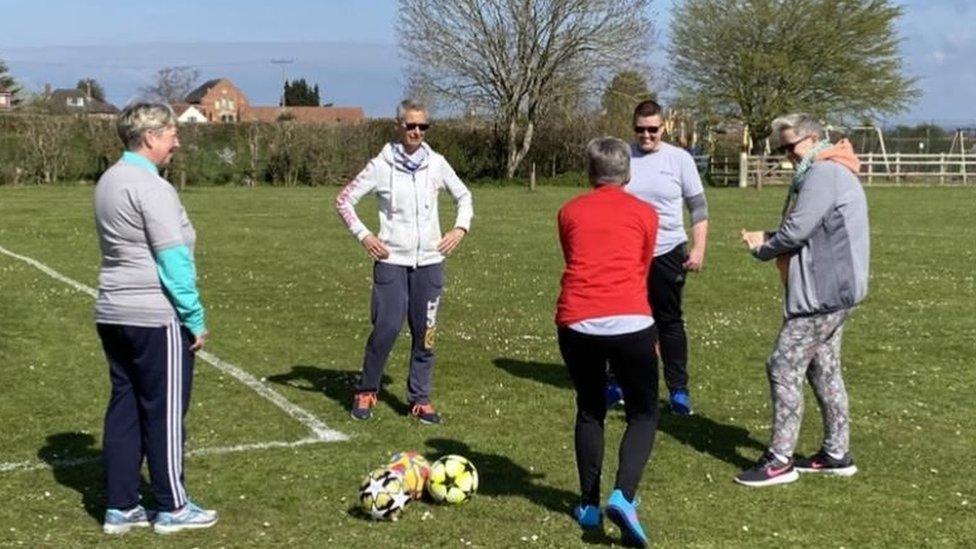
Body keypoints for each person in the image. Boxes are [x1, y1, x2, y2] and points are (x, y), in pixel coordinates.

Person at [93, 102, 216, 534]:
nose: (176, 142)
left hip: (112, 312)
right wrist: (194, 317)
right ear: (149, 137)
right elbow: (173, 260)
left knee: (125, 404)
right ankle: (172, 506)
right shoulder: (151, 187)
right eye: (170, 134)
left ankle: (121, 505)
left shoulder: (108, 180)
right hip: (153, 315)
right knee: (164, 410)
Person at [737, 113, 869, 487]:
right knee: (823, 369)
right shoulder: (831, 170)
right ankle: (836, 453)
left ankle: (780, 460)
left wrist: (764, 248)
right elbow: (810, 229)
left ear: (813, 138)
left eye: (790, 147)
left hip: (823, 294)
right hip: (836, 292)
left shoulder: (824, 173)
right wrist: (767, 235)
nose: (787, 156)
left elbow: (797, 230)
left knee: (782, 364)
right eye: (782, 149)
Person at [335, 99, 473, 425]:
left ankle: (419, 398)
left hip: (429, 262)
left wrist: (460, 227)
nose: (416, 132)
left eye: (422, 126)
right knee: (386, 327)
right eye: (410, 125)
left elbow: (464, 196)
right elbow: (344, 201)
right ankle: (367, 389)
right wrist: (365, 236)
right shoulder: (381, 165)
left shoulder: (437, 163)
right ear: (399, 126)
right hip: (391, 260)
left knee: (426, 333)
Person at [557, 136, 660, 548]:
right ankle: (624, 494)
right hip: (631, 319)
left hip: (577, 319)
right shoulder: (646, 213)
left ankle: (587, 504)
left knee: (590, 408)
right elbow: (642, 262)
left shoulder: (569, 211)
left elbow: (572, 255)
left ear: (589, 173)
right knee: (643, 412)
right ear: (628, 173)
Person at [620, 99, 710, 415]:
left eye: (652, 129)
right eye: (640, 130)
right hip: (628, 253)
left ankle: (678, 391)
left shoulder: (680, 160)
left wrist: (698, 248)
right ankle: (620, 381)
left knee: (668, 321)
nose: (646, 135)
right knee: (625, 319)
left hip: (668, 250)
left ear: (663, 128)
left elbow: (698, 207)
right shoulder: (623, 157)